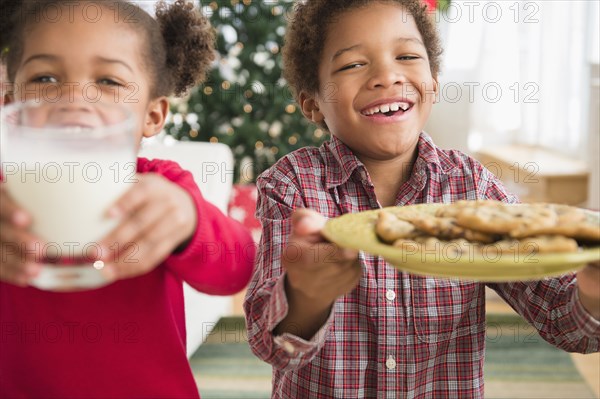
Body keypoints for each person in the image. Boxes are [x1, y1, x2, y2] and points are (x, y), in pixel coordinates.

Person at [243, 0, 600, 397]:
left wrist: (593, 289)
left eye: (408, 56)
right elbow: (270, 345)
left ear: (434, 80)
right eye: (352, 64)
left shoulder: (472, 187)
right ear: (312, 103)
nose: (387, 75)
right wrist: (306, 294)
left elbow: (562, 318)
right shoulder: (291, 186)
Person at [0, 1, 255, 397]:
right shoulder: (4, 199)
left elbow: (238, 268)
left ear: (152, 116)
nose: (74, 98)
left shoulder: (163, 187)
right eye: (45, 78)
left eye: (109, 82)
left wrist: (189, 223)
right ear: (8, 103)